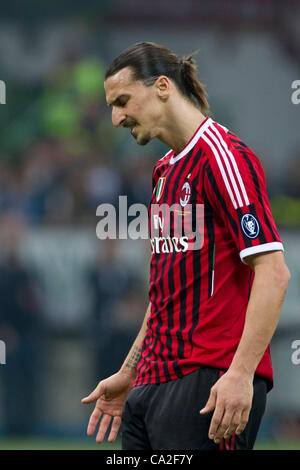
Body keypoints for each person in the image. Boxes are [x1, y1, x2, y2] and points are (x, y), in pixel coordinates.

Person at [81, 42, 290, 450]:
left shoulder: (223, 157)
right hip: (150, 383)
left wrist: (240, 374)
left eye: (122, 101)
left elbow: (274, 272)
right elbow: (168, 292)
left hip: (208, 382)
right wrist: (130, 371)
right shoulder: (163, 172)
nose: (116, 117)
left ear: (162, 86)